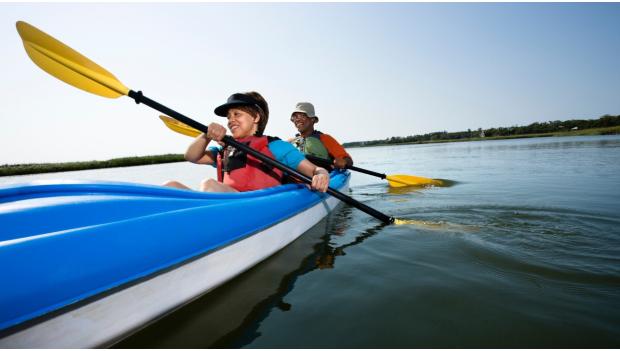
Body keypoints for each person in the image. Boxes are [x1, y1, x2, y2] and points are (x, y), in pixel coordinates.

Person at [164, 92, 330, 193]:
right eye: (229, 117)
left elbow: (315, 169)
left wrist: (321, 175)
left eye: (237, 114)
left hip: (258, 206)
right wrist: (206, 135)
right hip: (228, 205)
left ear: (256, 117)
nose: (231, 120)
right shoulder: (225, 149)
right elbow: (191, 156)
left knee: (208, 185)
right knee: (170, 186)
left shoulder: (276, 147)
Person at [289, 102, 353, 170]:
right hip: (291, 178)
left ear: (312, 119)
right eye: (295, 117)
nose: (297, 119)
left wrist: (344, 161)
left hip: (318, 178)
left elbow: (348, 160)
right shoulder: (290, 142)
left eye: (302, 116)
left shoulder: (325, 138)